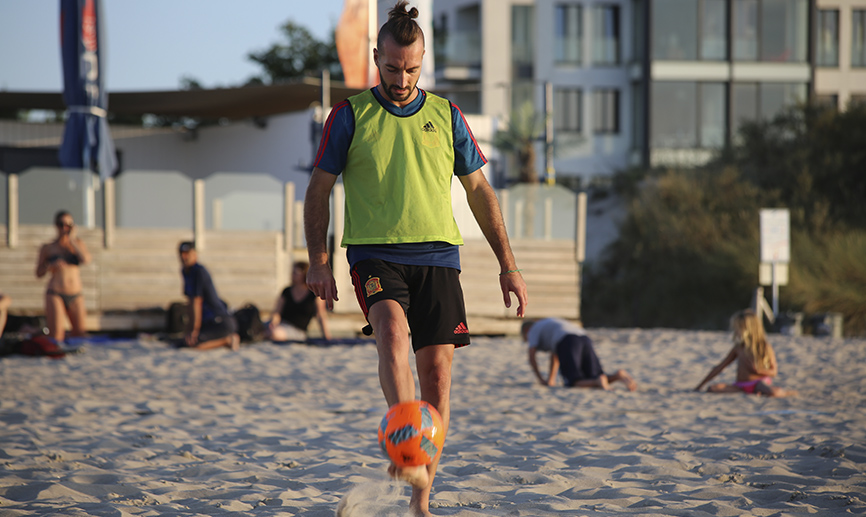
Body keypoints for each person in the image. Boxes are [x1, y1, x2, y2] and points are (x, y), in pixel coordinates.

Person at [304, 2, 528, 514]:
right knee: (392, 334)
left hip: (440, 257)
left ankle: (420, 502)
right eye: (391, 67)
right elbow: (318, 191)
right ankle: (405, 441)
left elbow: (480, 192)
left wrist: (508, 265)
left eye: (412, 69)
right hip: (374, 254)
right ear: (376, 56)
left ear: (423, 60)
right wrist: (318, 260)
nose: (401, 78)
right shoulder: (349, 115)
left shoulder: (447, 115)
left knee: (439, 382)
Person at [695, 309, 796, 397]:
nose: (735, 331)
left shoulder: (764, 347)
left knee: (773, 392)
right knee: (712, 389)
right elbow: (720, 366)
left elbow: (773, 372)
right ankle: (753, 392)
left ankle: (787, 393)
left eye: (738, 328)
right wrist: (700, 385)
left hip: (758, 382)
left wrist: (758, 370)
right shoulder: (739, 347)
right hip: (741, 385)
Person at [522, 318, 637, 390]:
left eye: (525, 338)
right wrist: (551, 380)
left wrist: (540, 379)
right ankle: (618, 375)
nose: (526, 341)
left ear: (526, 331)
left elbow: (531, 355)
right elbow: (555, 355)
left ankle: (597, 382)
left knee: (573, 382)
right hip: (584, 338)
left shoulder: (533, 329)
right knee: (597, 376)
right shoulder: (548, 324)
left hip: (568, 341)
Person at [35, 210, 91, 342]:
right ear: (56, 226)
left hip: (76, 293)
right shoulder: (49, 247)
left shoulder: (78, 244)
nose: (65, 228)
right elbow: (38, 273)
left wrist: (72, 240)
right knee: (56, 335)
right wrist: (50, 266)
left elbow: (86, 260)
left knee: (80, 333)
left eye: (69, 225)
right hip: (56, 293)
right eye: (61, 224)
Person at [177, 241, 239, 351]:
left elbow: (197, 302)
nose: (184, 257)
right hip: (207, 322)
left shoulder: (199, 271)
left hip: (219, 321)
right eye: (181, 253)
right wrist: (188, 330)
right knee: (182, 342)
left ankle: (228, 340)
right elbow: (190, 303)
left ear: (195, 254)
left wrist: (194, 330)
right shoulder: (185, 271)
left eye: (187, 253)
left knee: (194, 344)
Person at [266, 261, 332, 342]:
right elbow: (277, 312)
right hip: (281, 324)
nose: (292, 274)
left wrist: (326, 336)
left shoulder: (314, 294)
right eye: (292, 272)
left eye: (296, 272)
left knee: (275, 333)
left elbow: (321, 315)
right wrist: (273, 322)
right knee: (260, 327)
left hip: (297, 330)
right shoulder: (287, 291)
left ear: (304, 274)